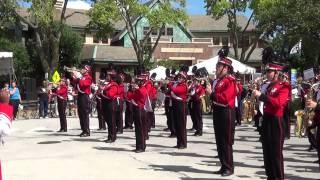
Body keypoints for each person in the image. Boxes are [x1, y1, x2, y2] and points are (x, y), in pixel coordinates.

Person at [252, 63, 290, 179]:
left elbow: (278, 103)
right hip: (267, 119)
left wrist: (262, 96)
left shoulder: (284, 86)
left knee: (276, 154)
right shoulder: (268, 86)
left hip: (276, 121)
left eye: (270, 71)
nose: (267, 74)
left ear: (277, 73)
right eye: (267, 71)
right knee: (267, 153)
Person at [206, 48, 237, 177]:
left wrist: (211, 94)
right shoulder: (219, 81)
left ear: (226, 68)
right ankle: (223, 165)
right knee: (219, 140)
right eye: (217, 65)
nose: (216, 68)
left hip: (226, 112)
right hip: (218, 111)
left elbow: (225, 98)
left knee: (226, 141)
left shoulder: (230, 81)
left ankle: (229, 167)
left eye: (219, 65)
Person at [171, 66, 188, 149]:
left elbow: (175, 91)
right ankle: (179, 142)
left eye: (181, 77)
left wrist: (171, 85)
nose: (179, 78)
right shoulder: (176, 84)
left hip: (181, 106)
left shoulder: (184, 86)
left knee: (181, 125)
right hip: (176, 105)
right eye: (179, 77)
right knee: (177, 125)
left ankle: (183, 143)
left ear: (184, 79)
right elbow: (169, 90)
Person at [72, 65, 92, 137]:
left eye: (83, 69)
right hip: (80, 95)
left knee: (85, 114)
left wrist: (79, 77)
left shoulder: (88, 77)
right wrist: (74, 75)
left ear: (87, 70)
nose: (82, 69)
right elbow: (75, 83)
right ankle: (83, 129)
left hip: (85, 96)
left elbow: (83, 85)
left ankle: (87, 131)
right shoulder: (82, 77)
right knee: (80, 114)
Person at [131, 72, 148, 153]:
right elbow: (131, 97)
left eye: (139, 81)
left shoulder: (143, 89)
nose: (137, 82)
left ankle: (142, 147)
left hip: (140, 109)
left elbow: (141, 95)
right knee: (137, 129)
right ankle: (138, 146)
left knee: (141, 129)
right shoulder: (138, 89)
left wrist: (136, 89)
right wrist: (133, 89)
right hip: (137, 109)